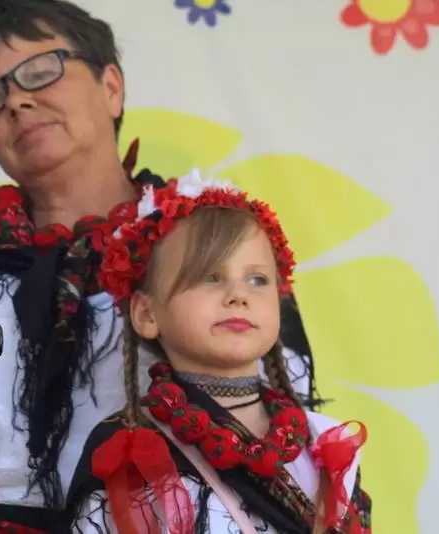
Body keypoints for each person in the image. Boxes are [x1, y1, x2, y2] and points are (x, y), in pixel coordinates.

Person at [0, 1, 319, 533]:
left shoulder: (204, 244)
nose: (16, 101)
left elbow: (277, 427)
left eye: (40, 72)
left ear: (111, 87)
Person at [64, 171, 371, 533]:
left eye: (257, 280)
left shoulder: (322, 443)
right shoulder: (131, 452)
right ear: (147, 314)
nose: (239, 295)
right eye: (210, 277)